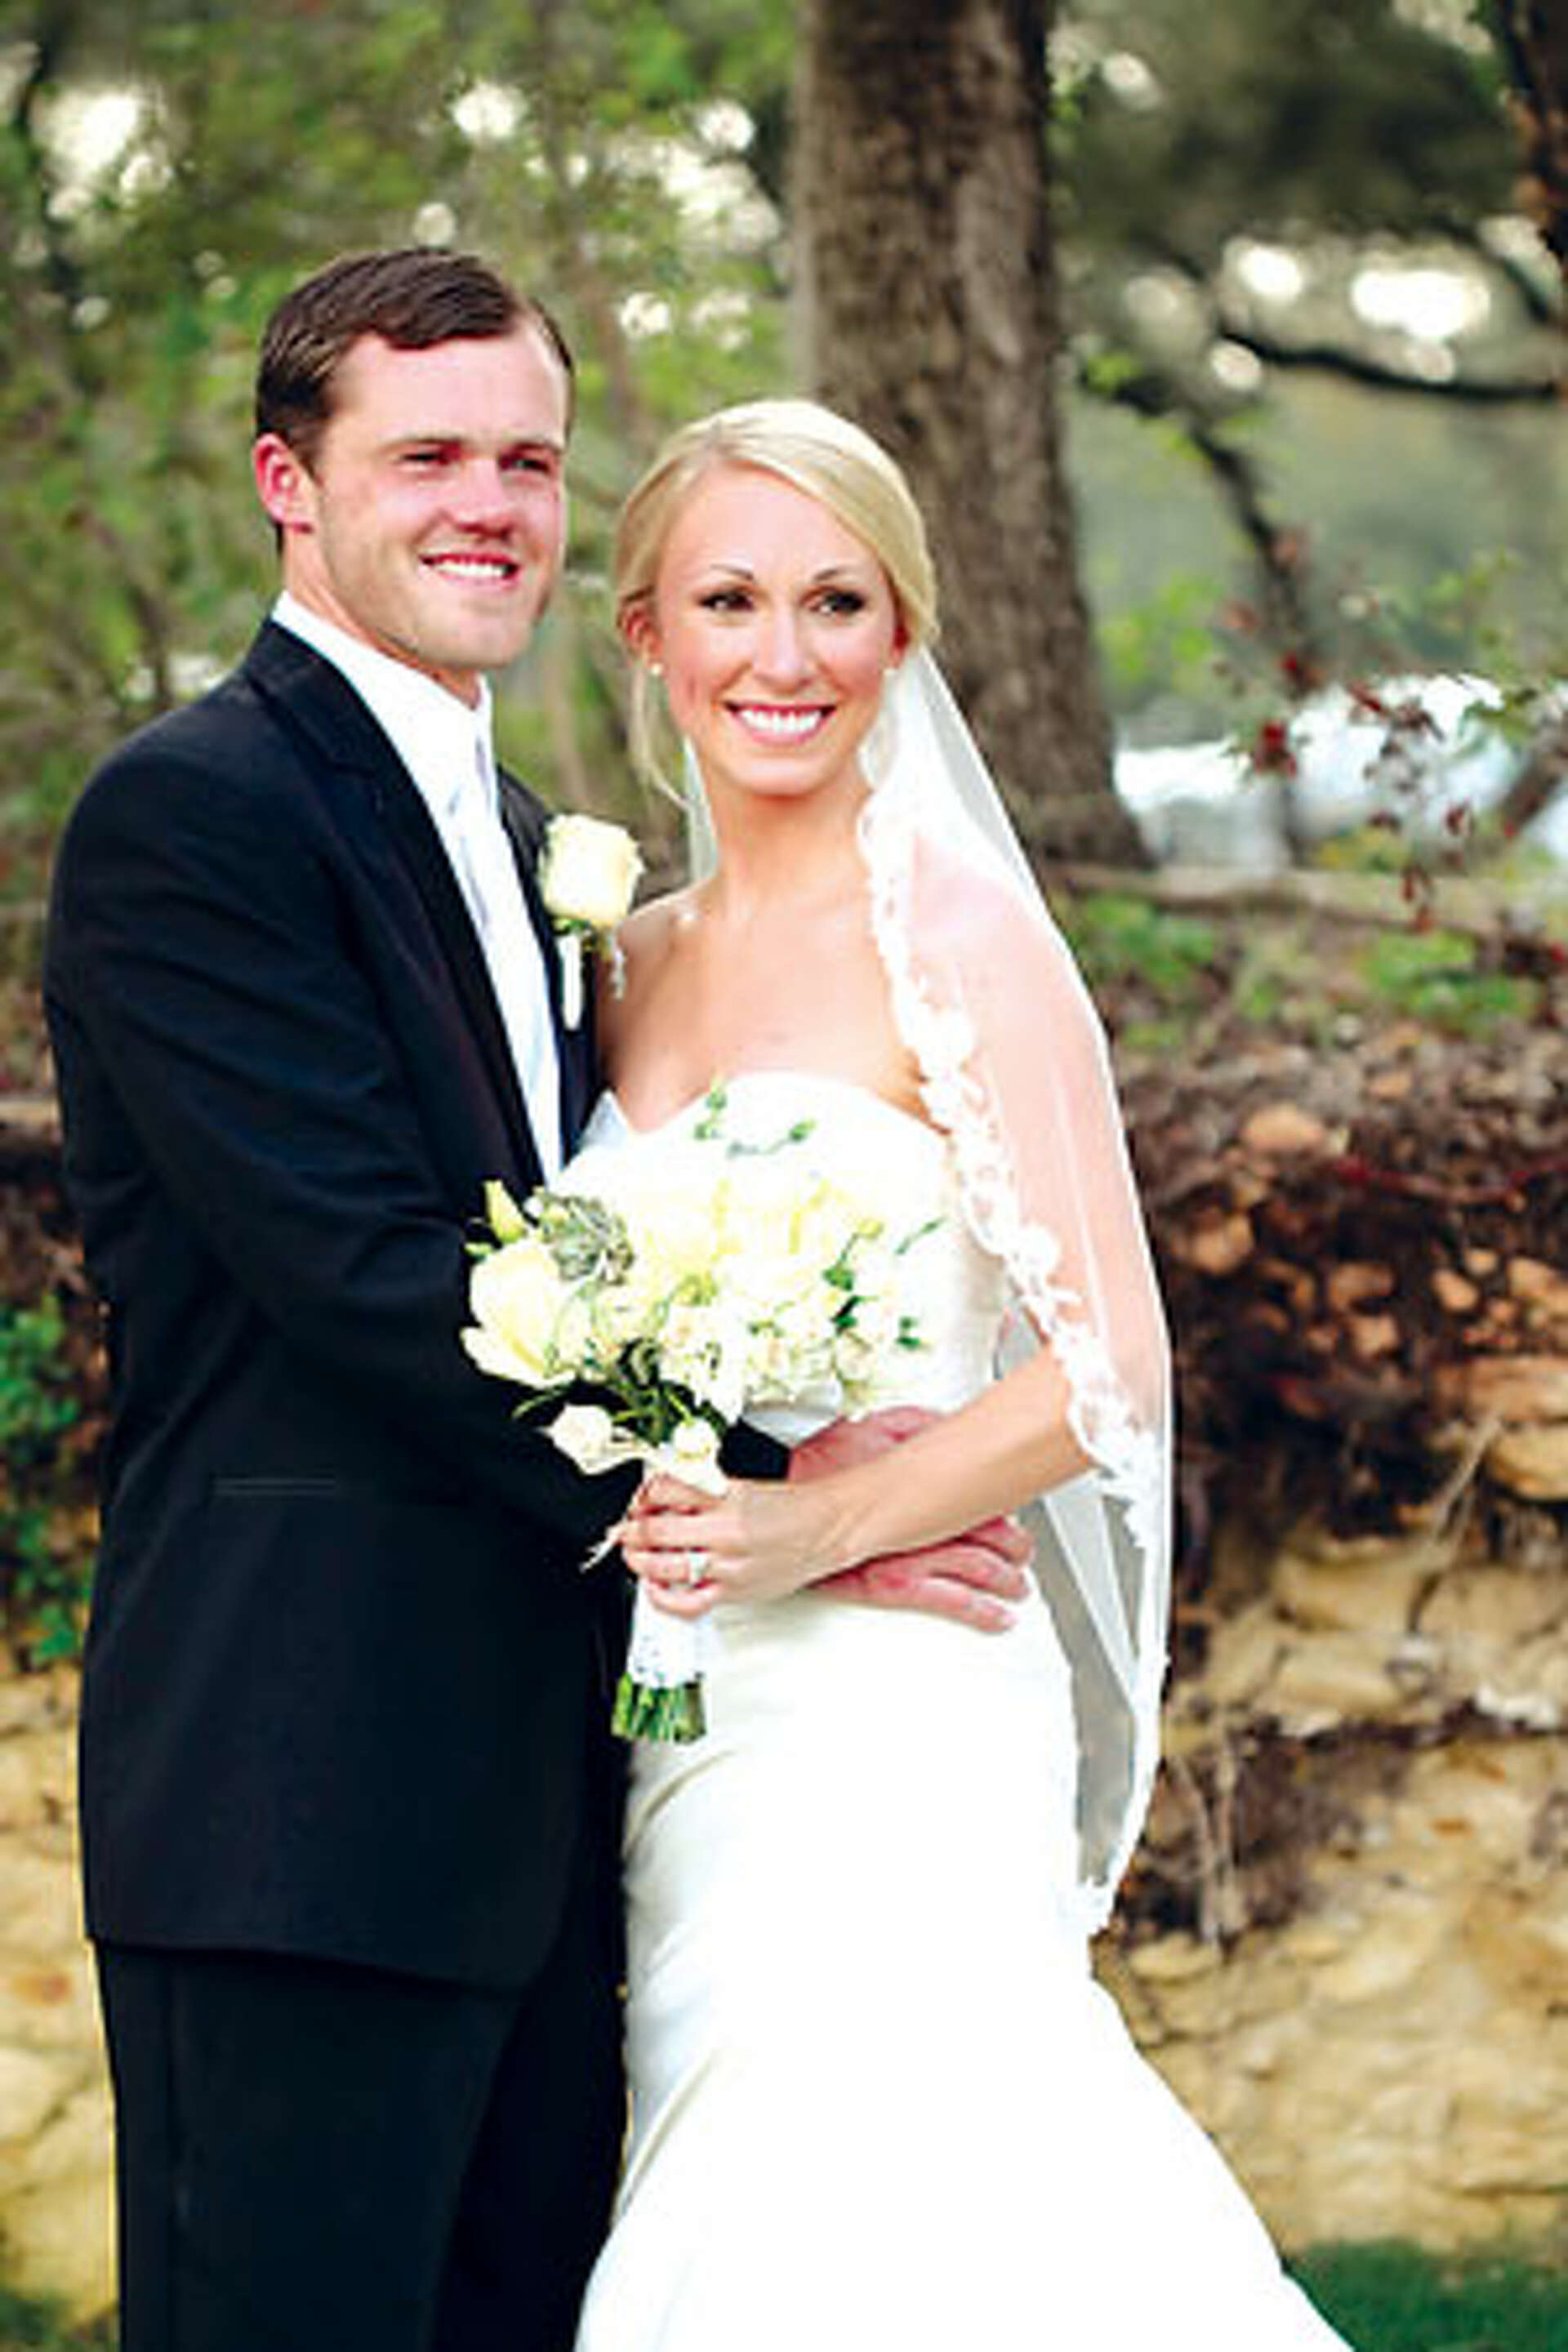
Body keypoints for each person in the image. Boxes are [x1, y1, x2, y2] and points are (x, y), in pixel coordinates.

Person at [42, 255, 1024, 2352]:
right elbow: (377, 1279)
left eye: (526, 460)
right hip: (302, 1794)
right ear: (286, 484)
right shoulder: (195, 817)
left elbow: (607, 1246)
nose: (487, 501)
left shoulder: (522, 838)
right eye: (427, 457)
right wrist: (778, 1484)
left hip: (567, 1798)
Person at [567, 399, 1355, 2350]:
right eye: (730, 598)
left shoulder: (959, 932)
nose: (786, 654)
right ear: (647, 633)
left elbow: (1110, 1371)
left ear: (902, 637)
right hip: (687, 1719)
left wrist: (817, 1526)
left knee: (905, 2178)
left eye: (838, 601)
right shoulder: (620, 963)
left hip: (899, 1704)